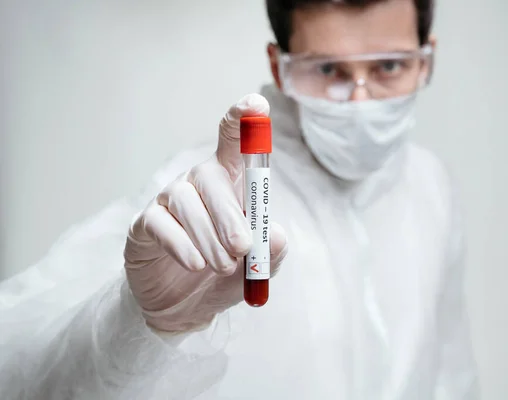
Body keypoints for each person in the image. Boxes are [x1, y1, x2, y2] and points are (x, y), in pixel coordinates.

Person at [0, 0, 480, 398]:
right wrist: (136, 323)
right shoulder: (203, 201)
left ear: (426, 57)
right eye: (327, 68)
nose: (359, 100)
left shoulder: (430, 186)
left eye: (390, 66)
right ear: (279, 65)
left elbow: (450, 375)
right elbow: (16, 362)